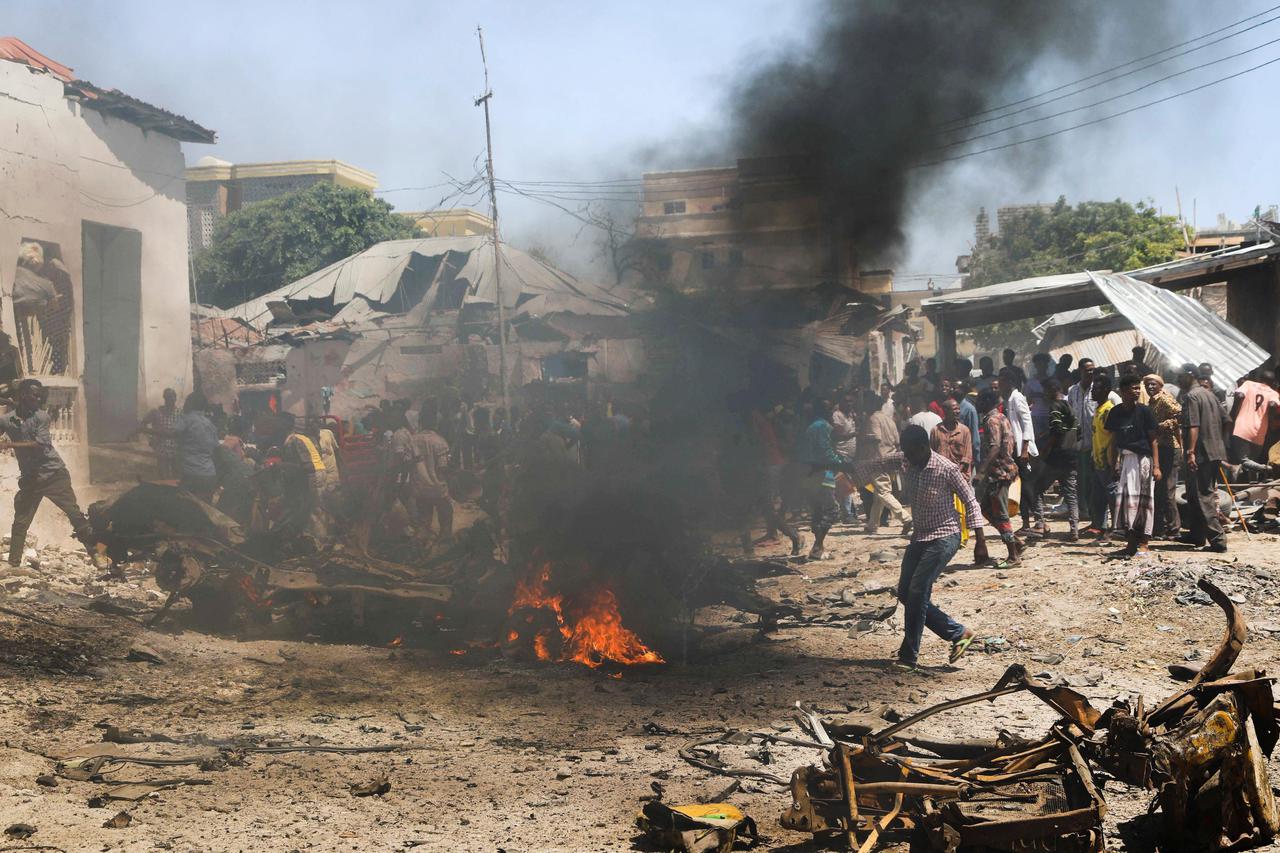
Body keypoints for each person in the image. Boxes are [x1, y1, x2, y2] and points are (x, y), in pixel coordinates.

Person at [852, 425, 987, 670]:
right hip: (920, 537)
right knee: (905, 592)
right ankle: (959, 633)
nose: (907, 458)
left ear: (924, 447)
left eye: (911, 452)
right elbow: (876, 464)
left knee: (917, 591)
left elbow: (970, 501)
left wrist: (980, 541)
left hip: (945, 536)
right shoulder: (906, 460)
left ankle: (908, 656)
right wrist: (843, 466)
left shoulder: (946, 468)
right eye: (904, 452)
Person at [1, 379, 106, 569]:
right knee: (20, 522)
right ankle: (13, 565)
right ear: (23, 395)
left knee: (75, 516)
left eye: (40, 394)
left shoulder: (42, 417)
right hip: (30, 479)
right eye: (34, 394)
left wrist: (8, 444)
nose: (39, 397)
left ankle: (101, 557)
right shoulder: (8, 420)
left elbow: (40, 444)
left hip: (54, 475)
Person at [1105, 375, 1161, 557]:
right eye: (1132, 389)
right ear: (1123, 392)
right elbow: (1113, 441)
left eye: (1138, 388)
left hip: (1143, 461)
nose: (1136, 392)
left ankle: (1144, 543)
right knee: (1127, 502)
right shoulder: (1115, 413)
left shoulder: (1145, 411)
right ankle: (1130, 543)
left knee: (1144, 501)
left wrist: (1156, 466)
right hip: (1125, 461)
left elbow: (1153, 440)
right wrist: (1113, 463)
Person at [1178, 364, 1228, 552]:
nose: (1178, 380)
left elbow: (1193, 425)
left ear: (1190, 376)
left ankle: (1218, 540)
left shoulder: (1192, 396)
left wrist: (1190, 451)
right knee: (1193, 494)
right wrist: (1217, 440)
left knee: (1203, 495)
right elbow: (1226, 420)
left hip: (1200, 454)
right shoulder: (1210, 394)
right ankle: (1196, 535)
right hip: (1214, 451)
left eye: (1181, 376)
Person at [972, 388, 1023, 568]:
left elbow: (994, 447)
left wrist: (981, 472)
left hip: (998, 473)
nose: (976, 403)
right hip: (1004, 470)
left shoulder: (992, 420)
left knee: (1000, 514)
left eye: (979, 400)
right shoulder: (1001, 417)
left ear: (986, 401)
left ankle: (1013, 555)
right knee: (985, 508)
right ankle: (1015, 542)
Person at [794, 400, 849, 560]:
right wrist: (840, 464)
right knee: (832, 511)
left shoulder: (810, 426)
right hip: (822, 474)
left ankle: (818, 549)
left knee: (817, 511)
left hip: (808, 474)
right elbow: (825, 451)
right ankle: (817, 546)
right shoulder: (823, 426)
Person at [855, 393, 910, 536]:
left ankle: (905, 517)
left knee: (883, 492)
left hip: (877, 460)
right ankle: (872, 524)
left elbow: (875, 439)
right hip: (890, 459)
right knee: (879, 493)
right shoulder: (889, 419)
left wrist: (860, 438)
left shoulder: (872, 419)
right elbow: (897, 441)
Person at [751, 404, 803, 554]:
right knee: (766, 504)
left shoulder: (763, 424)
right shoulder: (767, 423)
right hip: (774, 464)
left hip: (771, 464)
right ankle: (776, 534)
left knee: (766, 504)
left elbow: (764, 446)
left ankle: (792, 535)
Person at [1032, 378, 1079, 539]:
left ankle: (1040, 523)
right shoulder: (1070, 407)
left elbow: (1057, 432)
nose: (1044, 395)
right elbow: (1074, 431)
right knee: (1071, 494)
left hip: (1056, 458)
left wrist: (1045, 450)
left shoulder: (1055, 407)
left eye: (1046, 391)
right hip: (1071, 456)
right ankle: (1074, 530)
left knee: (1036, 489)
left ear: (1052, 390)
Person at [998, 368, 1038, 533]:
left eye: (1001, 381)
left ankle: (1038, 520)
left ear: (1008, 382)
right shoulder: (1009, 399)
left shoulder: (1018, 397)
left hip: (1023, 450)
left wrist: (1024, 449)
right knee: (1021, 486)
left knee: (1028, 486)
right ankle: (1026, 522)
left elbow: (1027, 423)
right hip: (1016, 449)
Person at [1143, 374, 1182, 539]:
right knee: (1159, 489)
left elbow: (1179, 415)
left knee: (1168, 489)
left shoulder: (1165, 399)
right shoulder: (1150, 403)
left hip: (1170, 447)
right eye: (1147, 385)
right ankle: (1159, 527)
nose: (1150, 387)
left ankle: (1174, 529)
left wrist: (1160, 426)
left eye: (1153, 384)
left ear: (1160, 385)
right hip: (1159, 448)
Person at [412, 407, 454, 542]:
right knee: (446, 517)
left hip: (419, 489)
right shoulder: (440, 442)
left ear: (421, 423)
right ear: (435, 423)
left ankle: (422, 548)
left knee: (424, 522)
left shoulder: (412, 440)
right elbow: (443, 467)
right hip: (438, 489)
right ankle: (444, 543)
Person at [1066, 358, 1097, 523]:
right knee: (1080, 480)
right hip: (1078, 444)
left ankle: (1094, 512)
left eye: (1093, 369)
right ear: (1080, 371)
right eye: (1087, 370)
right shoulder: (1073, 391)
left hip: (1095, 444)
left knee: (1094, 480)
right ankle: (1083, 511)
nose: (1090, 373)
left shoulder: (1098, 389)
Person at [174, 392, 220, 502]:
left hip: (191, 474)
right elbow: (216, 448)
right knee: (206, 512)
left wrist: (144, 430)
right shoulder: (210, 424)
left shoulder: (187, 419)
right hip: (209, 475)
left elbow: (172, 433)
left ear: (189, 404)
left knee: (185, 510)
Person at [1228, 369, 1280, 464]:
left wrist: (1232, 414)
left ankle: (1265, 469)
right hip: (1259, 433)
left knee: (1240, 460)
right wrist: (1270, 417)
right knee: (1252, 461)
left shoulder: (1248, 384)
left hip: (1241, 429)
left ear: (1259, 379)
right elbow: (1273, 404)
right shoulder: (1273, 393)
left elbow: (1239, 395)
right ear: (1272, 382)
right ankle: (1257, 474)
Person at [1089, 375, 1117, 541]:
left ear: (1106, 390)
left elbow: (1114, 437)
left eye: (1096, 389)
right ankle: (1101, 527)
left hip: (1107, 461)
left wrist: (1114, 461)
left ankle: (1115, 528)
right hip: (1098, 460)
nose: (1093, 392)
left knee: (1111, 496)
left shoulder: (1108, 410)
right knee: (1099, 497)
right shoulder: (1098, 409)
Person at [138, 387, 180, 478]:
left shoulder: (180, 413)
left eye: (173, 398)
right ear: (164, 398)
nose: (171, 400)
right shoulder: (156, 412)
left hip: (176, 451)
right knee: (163, 478)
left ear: (176, 399)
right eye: (168, 398)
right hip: (161, 451)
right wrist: (151, 439)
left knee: (177, 478)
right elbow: (143, 424)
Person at [930, 398, 972, 478]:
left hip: (961, 476)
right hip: (941, 477)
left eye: (959, 409)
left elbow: (967, 456)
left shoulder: (964, 431)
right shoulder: (935, 430)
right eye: (955, 409)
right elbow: (933, 454)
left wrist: (955, 474)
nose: (958, 411)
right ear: (946, 411)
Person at [952, 379, 982, 470]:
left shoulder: (969, 409)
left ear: (963, 390)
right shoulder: (950, 406)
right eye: (952, 388)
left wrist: (975, 457)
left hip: (965, 455)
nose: (953, 390)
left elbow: (974, 434)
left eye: (956, 388)